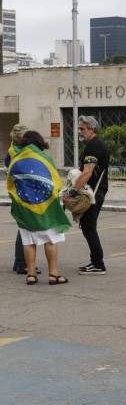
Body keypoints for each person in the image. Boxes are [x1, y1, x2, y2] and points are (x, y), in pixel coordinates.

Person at [8, 131, 71, 285]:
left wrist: (21, 201)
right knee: (50, 240)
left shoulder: (16, 159)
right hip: (46, 208)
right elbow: (55, 182)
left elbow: (11, 185)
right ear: (39, 143)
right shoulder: (45, 158)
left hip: (25, 207)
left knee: (28, 241)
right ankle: (53, 274)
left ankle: (31, 275)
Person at [68, 115, 110, 276]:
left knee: (89, 228)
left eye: (82, 129)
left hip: (92, 193)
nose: (79, 132)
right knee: (88, 228)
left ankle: (98, 264)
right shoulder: (97, 145)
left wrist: (73, 192)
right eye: (78, 128)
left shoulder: (94, 147)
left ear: (92, 129)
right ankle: (96, 262)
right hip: (97, 192)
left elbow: (87, 172)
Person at [6, 123, 39, 276]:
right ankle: (22, 263)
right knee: (25, 228)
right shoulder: (18, 152)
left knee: (23, 227)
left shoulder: (13, 150)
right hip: (24, 193)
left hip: (19, 192)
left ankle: (18, 261)